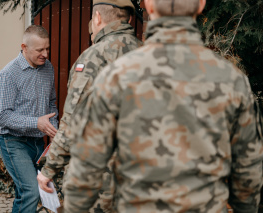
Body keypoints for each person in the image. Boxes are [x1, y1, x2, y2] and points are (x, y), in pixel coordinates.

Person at [63, 0, 263, 212]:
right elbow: (249, 172)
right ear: (201, 5)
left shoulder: (117, 76)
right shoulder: (232, 80)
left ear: (149, 5)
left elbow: (85, 163)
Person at [37, 0, 142, 212]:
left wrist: (49, 170)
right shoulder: (151, 55)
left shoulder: (95, 56)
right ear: (129, 19)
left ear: (97, 18)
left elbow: (73, 122)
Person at [0, 25, 58, 213]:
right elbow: (3, 117)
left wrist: (53, 131)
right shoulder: (8, 75)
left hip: (38, 142)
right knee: (31, 191)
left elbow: (52, 104)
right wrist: (37, 122)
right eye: (40, 50)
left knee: (30, 191)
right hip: (12, 141)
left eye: (47, 48)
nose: (45, 54)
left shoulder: (48, 68)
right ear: (24, 47)